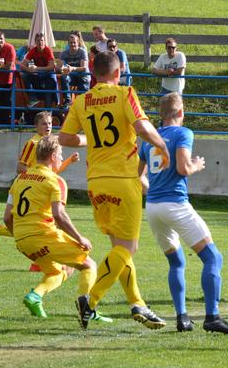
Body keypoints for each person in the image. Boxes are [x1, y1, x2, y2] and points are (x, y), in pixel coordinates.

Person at [59, 51, 171, 329]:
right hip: (122, 178)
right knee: (128, 248)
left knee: (119, 248)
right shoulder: (124, 93)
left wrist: (89, 140)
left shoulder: (82, 101)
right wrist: (162, 144)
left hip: (96, 181)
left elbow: (63, 137)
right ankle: (90, 300)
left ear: (94, 73)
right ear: (118, 71)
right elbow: (141, 126)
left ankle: (138, 305)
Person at [138, 92, 228, 334]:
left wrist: (153, 191)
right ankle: (212, 317)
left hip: (153, 207)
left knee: (176, 262)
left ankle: (182, 318)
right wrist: (197, 165)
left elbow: (138, 176)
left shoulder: (148, 140)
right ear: (181, 113)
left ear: (160, 114)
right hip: (175, 203)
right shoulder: (183, 133)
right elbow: (184, 168)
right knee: (213, 258)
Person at [2, 134, 111, 326]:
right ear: (52, 156)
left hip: (22, 241)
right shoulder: (55, 180)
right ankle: (88, 309)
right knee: (89, 264)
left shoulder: (19, 179)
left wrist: (17, 235)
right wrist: (80, 238)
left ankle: (35, 296)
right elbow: (59, 215)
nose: (61, 159)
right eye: (60, 155)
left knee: (59, 271)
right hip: (43, 236)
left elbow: (7, 217)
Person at [0, 111, 79, 253]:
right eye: (44, 123)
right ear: (36, 126)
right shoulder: (33, 143)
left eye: (50, 123)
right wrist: (35, 178)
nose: (48, 126)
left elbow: (52, 173)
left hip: (40, 187)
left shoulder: (51, 143)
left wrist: (68, 161)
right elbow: (20, 167)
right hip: (27, 187)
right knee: (36, 225)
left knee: (41, 225)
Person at [19, 33, 57, 109]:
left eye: (42, 40)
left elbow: (51, 67)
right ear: (35, 42)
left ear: (45, 42)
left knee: (50, 86)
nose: (40, 42)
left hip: (48, 74)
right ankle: (33, 98)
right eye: (38, 40)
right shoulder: (33, 50)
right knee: (24, 75)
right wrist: (29, 70)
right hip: (38, 74)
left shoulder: (48, 50)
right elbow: (22, 65)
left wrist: (37, 68)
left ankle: (50, 109)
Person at [58, 33, 90, 109]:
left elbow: (84, 68)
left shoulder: (82, 52)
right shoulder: (64, 53)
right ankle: (68, 100)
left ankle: (83, 104)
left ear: (78, 43)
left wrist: (72, 68)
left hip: (82, 75)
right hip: (71, 75)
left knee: (83, 96)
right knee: (64, 77)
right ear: (68, 43)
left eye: (74, 42)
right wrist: (61, 69)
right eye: (71, 43)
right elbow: (59, 66)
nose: (72, 44)